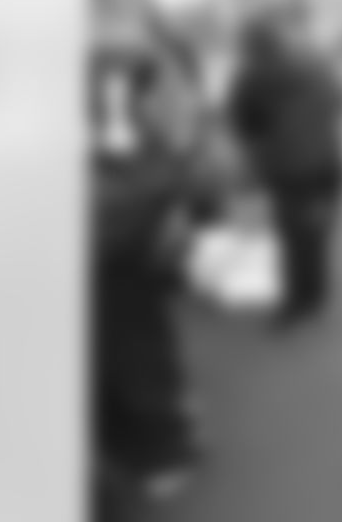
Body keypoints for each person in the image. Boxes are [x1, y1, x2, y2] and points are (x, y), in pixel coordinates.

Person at [91, 44, 215, 510]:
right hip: (113, 275)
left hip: (125, 276)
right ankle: (159, 446)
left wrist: (177, 198)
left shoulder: (130, 130)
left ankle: (165, 446)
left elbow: (175, 183)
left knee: (139, 360)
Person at [227, 1, 342, 329]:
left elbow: (244, 123)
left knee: (295, 236)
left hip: (292, 168)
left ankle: (297, 303)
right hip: (331, 162)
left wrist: (252, 159)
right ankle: (316, 294)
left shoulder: (253, 75)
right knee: (317, 229)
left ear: (248, 45)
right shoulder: (317, 62)